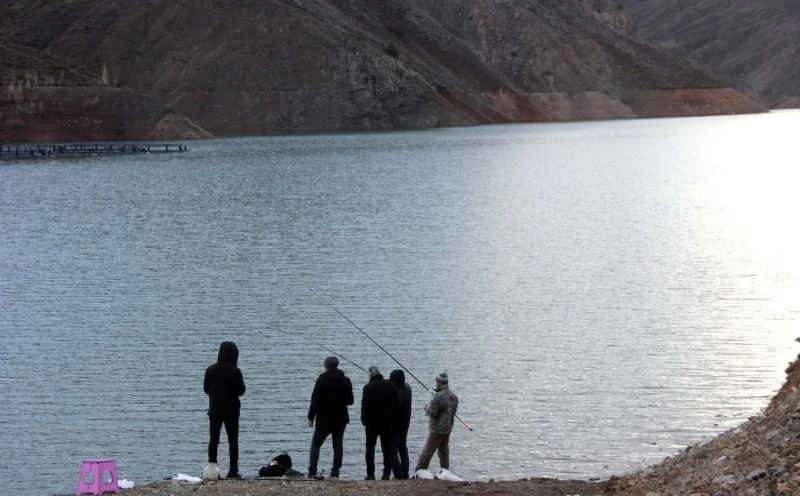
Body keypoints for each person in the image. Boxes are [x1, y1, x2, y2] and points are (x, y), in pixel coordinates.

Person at [204, 341, 246, 479]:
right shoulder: (235, 371)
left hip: (214, 410)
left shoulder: (210, 370)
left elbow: (206, 389)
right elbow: (241, 390)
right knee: (233, 441)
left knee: (213, 440)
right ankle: (233, 471)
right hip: (231, 412)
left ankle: (211, 470)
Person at [307, 356, 354, 479]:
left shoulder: (321, 380)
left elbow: (315, 400)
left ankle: (312, 471)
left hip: (324, 419)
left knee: (316, 444)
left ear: (326, 366)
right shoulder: (346, 380)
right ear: (337, 365)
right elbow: (350, 401)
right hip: (341, 419)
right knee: (338, 445)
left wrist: (310, 418)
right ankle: (335, 473)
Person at [414, 371, 459, 473]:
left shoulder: (437, 397)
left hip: (437, 429)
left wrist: (426, 407)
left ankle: (419, 473)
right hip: (448, 428)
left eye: (436, 381)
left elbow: (432, 413)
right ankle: (445, 472)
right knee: (444, 452)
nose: (435, 382)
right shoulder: (454, 396)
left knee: (427, 452)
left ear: (439, 382)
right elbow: (452, 412)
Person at [361, 366, 398, 480]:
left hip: (371, 423)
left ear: (371, 375)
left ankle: (370, 474)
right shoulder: (391, 385)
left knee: (370, 448)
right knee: (386, 448)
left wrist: (364, 420)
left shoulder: (367, 387)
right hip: (387, 422)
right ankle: (386, 473)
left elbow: (364, 406)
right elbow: (396, 404)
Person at [389, 369, 412, 479]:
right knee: (403, 448)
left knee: (392, 450)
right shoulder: (408, 388)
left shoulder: (396, 393)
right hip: (405, 424)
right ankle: (405, 473)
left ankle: (398, 475)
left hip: (395, 426)